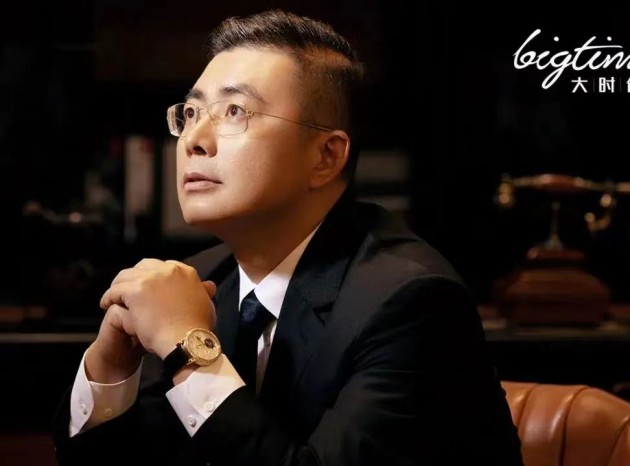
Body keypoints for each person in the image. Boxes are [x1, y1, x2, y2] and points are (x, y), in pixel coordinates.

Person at [52, 9, 523, 466]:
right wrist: (111, 369)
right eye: (191, 112)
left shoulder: (411, 302)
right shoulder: (201, 280)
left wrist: (188, 348)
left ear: (325, 156)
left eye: (234, 111)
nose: (194, 139)